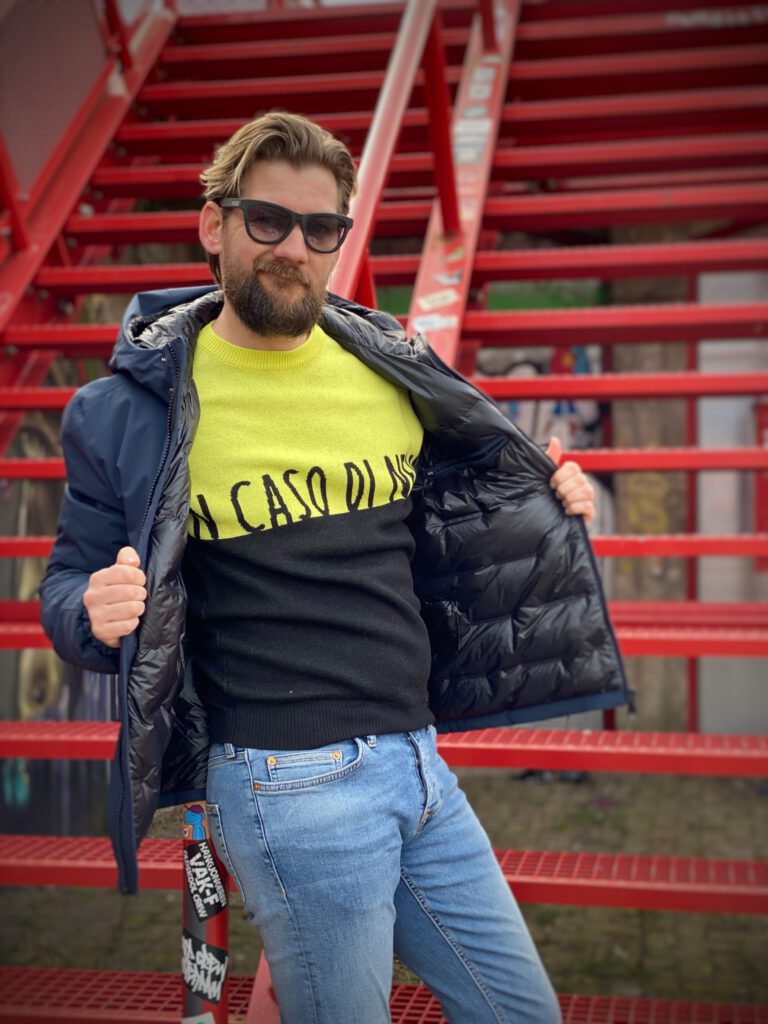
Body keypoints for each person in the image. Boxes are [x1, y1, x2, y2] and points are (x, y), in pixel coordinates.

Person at [40, 112, 628, 1024]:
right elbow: (66, 586)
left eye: (322, 229)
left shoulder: (389, 364)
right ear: (213, 224)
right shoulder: (126, 410)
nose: (294, 249)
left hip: (419, 764)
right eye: (268, 220)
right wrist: (93, 609)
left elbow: (465, 511)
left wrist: (549, 493)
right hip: (288, 784)